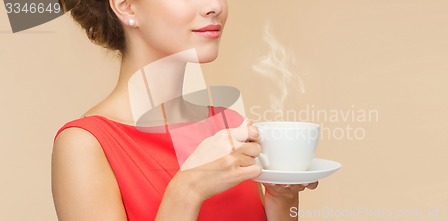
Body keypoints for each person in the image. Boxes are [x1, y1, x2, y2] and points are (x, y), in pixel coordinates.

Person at [52, 0, 318, 220]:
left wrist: (282, 199)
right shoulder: (85, 145)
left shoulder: (230, 125)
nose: (214, 6)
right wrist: (187, 190)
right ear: (127, 7)